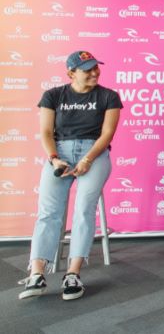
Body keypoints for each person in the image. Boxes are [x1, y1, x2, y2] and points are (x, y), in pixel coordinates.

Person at [19, 51, 122, 301]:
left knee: (84, 209)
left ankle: (73, 274)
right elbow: (45, 132)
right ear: (71, 73)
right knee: (48, 212)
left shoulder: (109, 96)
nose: (95, 73)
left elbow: (107, 134)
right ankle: (37, 273)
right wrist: (54, 158)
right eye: (88, 69)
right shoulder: (53, 95)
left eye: (96, 67)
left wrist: (87, 159)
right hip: (59, 153)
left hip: (94, 154)